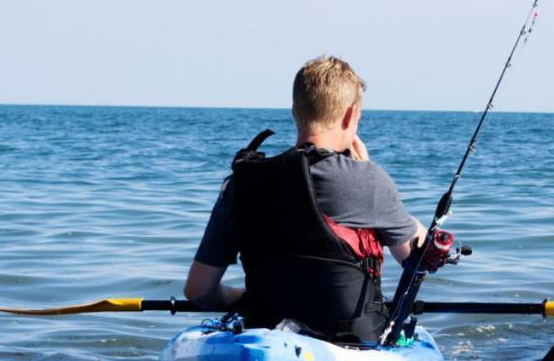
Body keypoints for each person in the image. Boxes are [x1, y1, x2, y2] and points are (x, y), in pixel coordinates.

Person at [183, 55, 449, 343]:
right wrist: (371, 184)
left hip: (265, 331)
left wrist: (245, 298)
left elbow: (198, 291)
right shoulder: (369, 180)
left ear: (294, 112)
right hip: (352, 343)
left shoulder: (241, 183)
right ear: (351, 115)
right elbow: (419, 259)